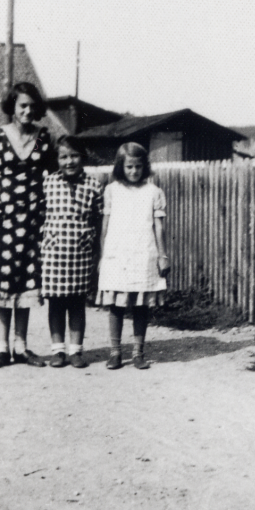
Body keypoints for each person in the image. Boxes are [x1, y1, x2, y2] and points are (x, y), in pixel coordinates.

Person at [0, 81, 55, 368]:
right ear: (13, 106)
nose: (28, 111)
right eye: (23, 105)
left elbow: (52, 176)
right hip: (4, 220)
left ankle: (21, 347)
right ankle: (1, 348)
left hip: (34, 220)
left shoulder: (45, 139)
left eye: (33, 106)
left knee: (26, 282)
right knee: (3, 282)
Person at [97, 142, 170, 370]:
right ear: (121, 166)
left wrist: (162, 255)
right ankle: (115, 352)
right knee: (116, 305)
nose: (134, 171)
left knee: (140, 306)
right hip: (117, 255)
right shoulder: (111, 190)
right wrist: (102, 255)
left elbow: (159, 227)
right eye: (129, 167)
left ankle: (138, 352)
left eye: (138, 167)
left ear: (144, 167)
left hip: (143, 254)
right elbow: (105, 226)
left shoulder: (153, 192)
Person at [41, 135, 103, 368]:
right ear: (57, 159)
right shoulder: (47, 183)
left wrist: (97, 249)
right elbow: (40, 217)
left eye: (74, 156)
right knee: (56, 303)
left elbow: (99, 221)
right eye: (64, 157)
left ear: (82, 157)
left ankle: (76, 350)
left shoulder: (93, 185)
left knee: (77, 303)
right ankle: (58, 351)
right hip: (54, 252)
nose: (69, 161)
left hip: (81, 252)